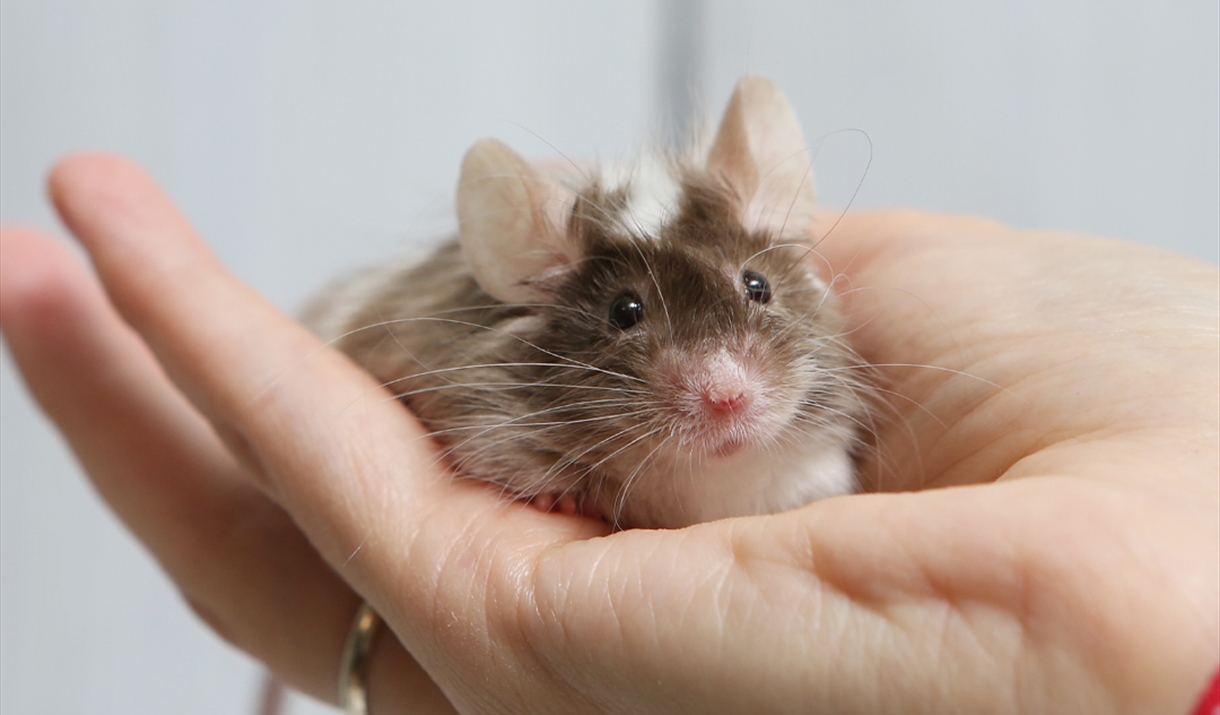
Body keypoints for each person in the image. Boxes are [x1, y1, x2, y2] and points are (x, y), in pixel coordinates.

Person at [1, 153, 1216, 715]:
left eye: (749, 300)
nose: (728, 390)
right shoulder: (519, 371)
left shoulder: (828, 364)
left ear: (778, 272)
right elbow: (462, 415)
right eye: (631, 317)